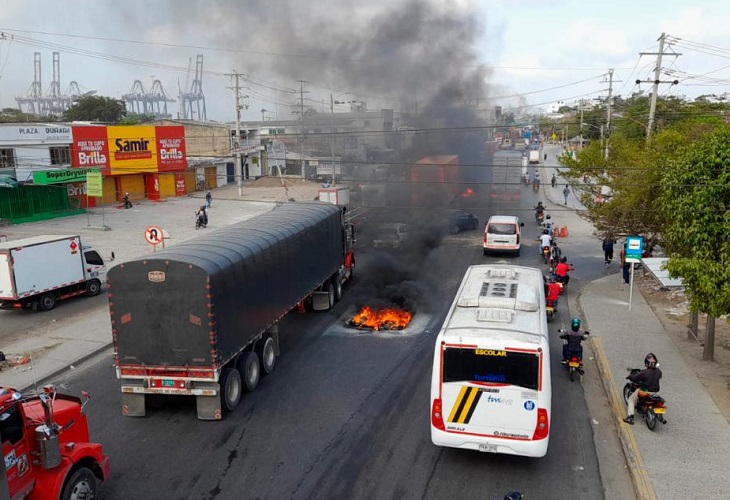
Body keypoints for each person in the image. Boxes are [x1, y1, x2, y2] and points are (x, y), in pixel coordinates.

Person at [623, 353, 662, 425]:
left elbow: (635, 378)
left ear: (646, 364)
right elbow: (659, 376)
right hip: (654, 392)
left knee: (631, 399)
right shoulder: (658, 371)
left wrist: (630, 376)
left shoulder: (644, 372)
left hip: (644, 392)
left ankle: (630, 417)